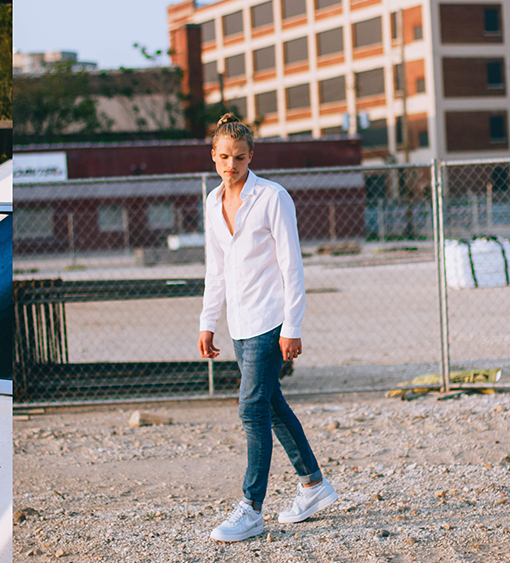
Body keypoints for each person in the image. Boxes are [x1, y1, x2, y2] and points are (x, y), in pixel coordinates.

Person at [197, 113, 337, 542]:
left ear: (251, 156)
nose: (231, 165)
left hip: (270, 321)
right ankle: (314, 485)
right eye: (223, 156)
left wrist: (292, 327)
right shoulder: (211, 203)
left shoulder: (273, 197)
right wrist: (208, 322)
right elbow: (215, 271)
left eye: (239, 157)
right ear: (214, 156)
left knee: (251, 409)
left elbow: (291, 266)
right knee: (271, 404)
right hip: (238, 323)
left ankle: (251, 508)